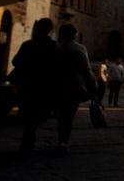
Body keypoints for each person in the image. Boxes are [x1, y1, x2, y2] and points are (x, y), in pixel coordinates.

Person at [11, 18, 57, 152]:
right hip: (43, 85)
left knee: (27, 109)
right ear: (50, 30)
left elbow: (15, 62)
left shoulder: (28, 45)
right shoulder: (53, 46)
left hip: (27, 84)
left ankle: (28, 135)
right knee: (37, 111)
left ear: (37, 29)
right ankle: (29, 135)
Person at [55, 23, 95, 156]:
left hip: (55, 86)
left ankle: (29, 137)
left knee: (59, 114)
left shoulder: (56, 48)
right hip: (73, 87)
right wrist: (92, 87)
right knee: (68, 115)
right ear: (74, 35)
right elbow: (87, 71)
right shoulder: (80, 48)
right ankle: (63, 141)